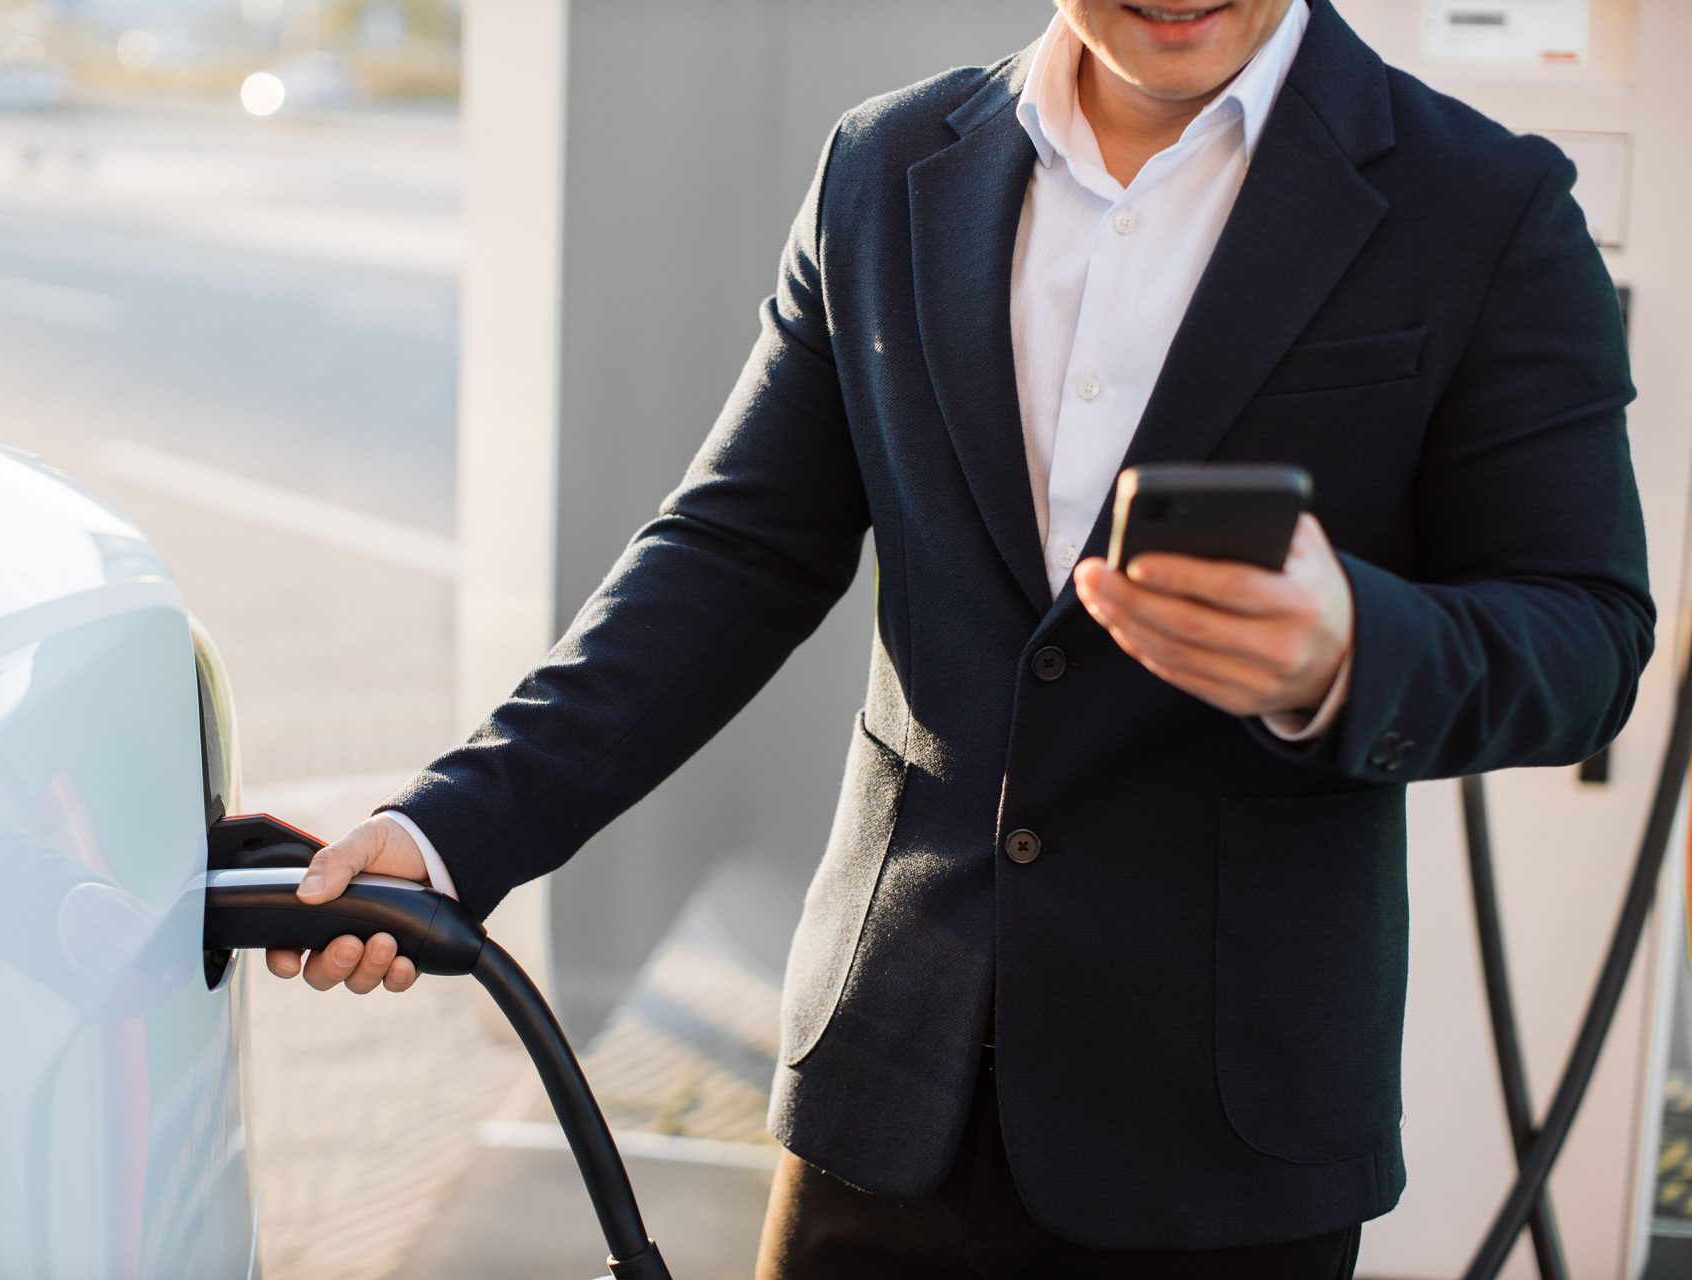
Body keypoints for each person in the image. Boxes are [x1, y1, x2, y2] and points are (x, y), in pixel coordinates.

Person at [266, 0, 1652, 1275]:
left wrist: (1346, 649)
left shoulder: (1485, 206)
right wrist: (455, 831)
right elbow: (731, 557)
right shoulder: (886, 167)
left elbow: (1587, 635)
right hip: (887, 1084)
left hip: (1226, 1141)